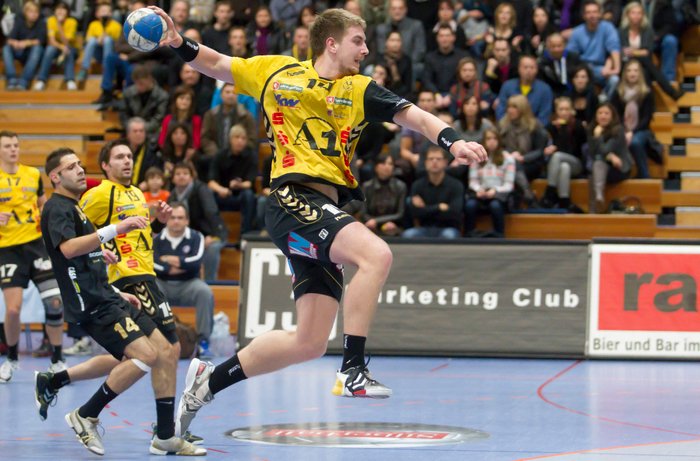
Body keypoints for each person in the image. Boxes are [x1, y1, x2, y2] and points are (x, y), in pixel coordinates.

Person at [151, 5, 486, 438]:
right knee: (376, 254)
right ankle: (353, 369)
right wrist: (179, 42)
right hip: (292, 197)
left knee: (308, 342)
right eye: (358, 41)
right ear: (331, 43)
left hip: (324, 210)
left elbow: (414, 116)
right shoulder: (277, 72)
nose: (365, 50)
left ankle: (208, 382)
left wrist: (452, 141)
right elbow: (217, 63)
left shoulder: (359, 89)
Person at [34, 148, 204, 456]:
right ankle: (95, 416)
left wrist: (111, 277)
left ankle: (59, 382)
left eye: (80, 164)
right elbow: (70, 247)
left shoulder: (128, 195)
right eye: (72, 167)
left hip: (111, 291)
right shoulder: (82, 200)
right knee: (155, 353)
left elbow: (102, 243)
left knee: (148, 354)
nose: (80, 170)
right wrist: (114, 231)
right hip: (113, 287)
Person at [0, 131, 66, 383]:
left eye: (16, 145)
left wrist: (48, 218)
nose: (13, 149)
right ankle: (11, 359)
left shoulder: (32, 174)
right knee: (13, 309)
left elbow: (42, 203)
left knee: (55, 303)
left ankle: (57, 359)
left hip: (36, 246)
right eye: (7, 146)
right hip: (7, 249)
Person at [154, 203, 214, 356]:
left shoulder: (196, 237)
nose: (176, 221)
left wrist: (167, 260)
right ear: (166, 219)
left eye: (180, 218)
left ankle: (203, 342)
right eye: (172, 217)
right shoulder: (156, 237)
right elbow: (152, 264)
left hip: (189, 284)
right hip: (162, 284)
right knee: (149, 290)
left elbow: (196, 262)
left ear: (187, 220)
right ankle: (153, 341)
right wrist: (183, 264)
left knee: (204, 292)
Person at [169, 162, 228, 282]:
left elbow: (211, 213)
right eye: (178, 174)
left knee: (212, 248)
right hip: (188, 236)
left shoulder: (202, 189)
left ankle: (209, 283)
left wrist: (213, 235)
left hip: (211, 232)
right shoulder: (172, 195)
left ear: (192, 177)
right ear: (173, 178)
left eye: (185, 173)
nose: (181, 176)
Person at [402, 145, 464, 239]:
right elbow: (415, 213)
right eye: (431, 159)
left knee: (449, 236)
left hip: (448, 228)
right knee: (408, 235)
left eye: (438, 159)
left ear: (445, 162)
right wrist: (439, 207)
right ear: (425, 162)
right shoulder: (417, 185)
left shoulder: (456, 185)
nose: (434, 162)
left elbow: (455, 213)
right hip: (424, 228)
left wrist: (425, 209)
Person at [498, 94, 548, 207]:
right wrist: (509, 155)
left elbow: (540, 150)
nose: (510, 110)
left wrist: (523, 158)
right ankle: (528, 196)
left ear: (522, 109)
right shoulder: (503, 125)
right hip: (508, 161)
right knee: (513, 164)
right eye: (509, 107)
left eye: (514, 107)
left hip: (530, 163)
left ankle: (525, 196)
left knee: (514, 164)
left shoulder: (534, 125)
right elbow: (498, 147)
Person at [207, 125, 257, 237]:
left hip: (241, 195)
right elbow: (211, 182)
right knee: (208, 194)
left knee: (249, 195)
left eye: (243, 138)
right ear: (230, 139)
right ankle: (213, 232)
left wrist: (239, 185)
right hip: (223, 194)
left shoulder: (251, 156)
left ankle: (245, 234)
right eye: (237, 137)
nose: (240, 141)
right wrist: (221, 189)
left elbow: (249, 183)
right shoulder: (220, 155)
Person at [464, 128, 515, 238]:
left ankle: (499, 236)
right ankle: (468, 235)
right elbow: (473, 181)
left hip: (499, 194)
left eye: (494, 138)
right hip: (481, 193)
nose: (492, 141)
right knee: (470, 205)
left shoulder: (508, 158)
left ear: (499, 141)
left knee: (495, 205)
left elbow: (509, 185)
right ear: (483, 141)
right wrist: (478, 189)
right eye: (488, 139)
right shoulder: (476, 157)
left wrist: (495, 190)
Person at [565, 0, 621, 98]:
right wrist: (581, 70)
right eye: (589, 12)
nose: (592, 15)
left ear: (600, 14)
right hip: (583, 67)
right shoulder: (577, 32)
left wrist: (616, 69)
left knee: (614, 79)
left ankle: (604, 101)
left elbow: (614, 48)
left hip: (601, 68)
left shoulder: (608, 28)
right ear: (584, 16)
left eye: (595, 12)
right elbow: (571, 55)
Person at [609, 59, 655, 179]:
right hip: (621, 129)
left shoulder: (647, 93)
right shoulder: (618, 92)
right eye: (629, 71)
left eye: (635, 70)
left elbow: (646, 119)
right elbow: (614, 115)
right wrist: (624, 131)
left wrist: (632, 132)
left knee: (635, 142)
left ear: (640, 74)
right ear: (625, 74)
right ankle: (620, 174)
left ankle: (644, 175)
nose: (632, 73)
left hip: (641, 130)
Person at [541, 96, 587, 209]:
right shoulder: (551, 127)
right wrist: (547, 150)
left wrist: (563, 128)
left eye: (567, 109)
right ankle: (564, 200)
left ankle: (550, 191)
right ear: (556, 111)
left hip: (576, 163)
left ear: (572, 111)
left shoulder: (578, 126)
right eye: (561, 109)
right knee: (564, 167)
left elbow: (571, 150)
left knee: (557, 156)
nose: (564, 112)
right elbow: (544, 147)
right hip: (557, 165)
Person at [587, 102, 632, 213]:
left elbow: (605, 150)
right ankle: (597, 202)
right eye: (600, 113)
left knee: (596, 168)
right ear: (596, 116)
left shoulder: (618, 130)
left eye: (606, 113)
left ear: (612, 116)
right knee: (595, 169)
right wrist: (609, 156)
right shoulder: (592, 129)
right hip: (601, 167)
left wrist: (598, 137)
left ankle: (594, 209)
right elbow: (592, 153)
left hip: (619, 168)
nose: (603, 116)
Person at [495, 55, 553, 125]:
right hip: (509, 127)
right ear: (519, 69)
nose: (529, 70)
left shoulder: (544, 89)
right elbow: (501, 110)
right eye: (525, 67)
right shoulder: (507, 86)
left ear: (537, 70)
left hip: (534, 128)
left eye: (532, 67)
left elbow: (544, 116)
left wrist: (531, 127)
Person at [34, 1, 79, 91]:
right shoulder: (51, 20)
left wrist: (58, 24)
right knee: (50, 49)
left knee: (68, 51)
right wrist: (61, 47)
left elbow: (66, 42)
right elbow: (51, 41)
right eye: (58, 9)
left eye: (63, 9)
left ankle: (70, 80)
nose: (60, 11)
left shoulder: (72, 22)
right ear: (54, 11)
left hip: (71, 48)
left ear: (67, 12)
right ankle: (41, 80)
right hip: (57, 48)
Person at [2, 0, 46, 91]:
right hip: (19, 50)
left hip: (32, 53)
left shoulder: (42, 22)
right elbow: (9, 39)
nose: (34, 14)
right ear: (25, 12)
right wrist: (15, 43)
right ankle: (12, 80)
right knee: (6, 48)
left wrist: (26, 43)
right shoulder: (19, 20)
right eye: (31, 11)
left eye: (36, 12)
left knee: (37, 48)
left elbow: (41, 41)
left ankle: (24, 82)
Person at [359, 154, 407, 236]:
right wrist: (372, 222)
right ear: (376, 167)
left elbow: (400, 214)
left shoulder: (401, 186)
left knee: (393, 229)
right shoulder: (367, 186)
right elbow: (363, 213)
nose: (387, 166)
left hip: (393, 225)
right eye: (383, 163)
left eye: (390, 164)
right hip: (370, 225)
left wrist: (376, 221)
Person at [120, 65, 170, 142]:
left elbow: (159, 118)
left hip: (152, 133)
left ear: (149, 79)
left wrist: (141, 129)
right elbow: (123, 115)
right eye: (136, 83)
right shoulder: (128, 93)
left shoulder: (162, 96)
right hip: (132, 131)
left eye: (141, 83)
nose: (138, 86)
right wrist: (133, 128)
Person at [77, 0, 121, 83]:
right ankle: (84, 68)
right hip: (97, 53)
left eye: (107, 11)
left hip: (110, 54)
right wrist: (99, 39)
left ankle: (107, 69)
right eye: (102, 11)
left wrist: (106, 37)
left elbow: (117, 44)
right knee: (92, 40)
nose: (105, 13)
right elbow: (88, 41)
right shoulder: (93, 24)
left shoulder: (116, 25)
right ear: (97, 14)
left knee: (108, 40)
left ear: (111, 13)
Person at [538, 33, 584, 97]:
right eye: (553, 46)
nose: (556, 49)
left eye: (559, 46)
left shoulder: (574, 58)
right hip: (553, 95)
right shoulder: (543, 63)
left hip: (574, 93)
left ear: (564, 45)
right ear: (548, 47)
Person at [158, 85, 202, 150]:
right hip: (169, 151)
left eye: (188, 99)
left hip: (189, 152)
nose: (184, 101)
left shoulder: (196, 120)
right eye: (181, 98)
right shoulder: (167, 119)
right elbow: (161, 141)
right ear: (175, 100)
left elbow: (197, 143)